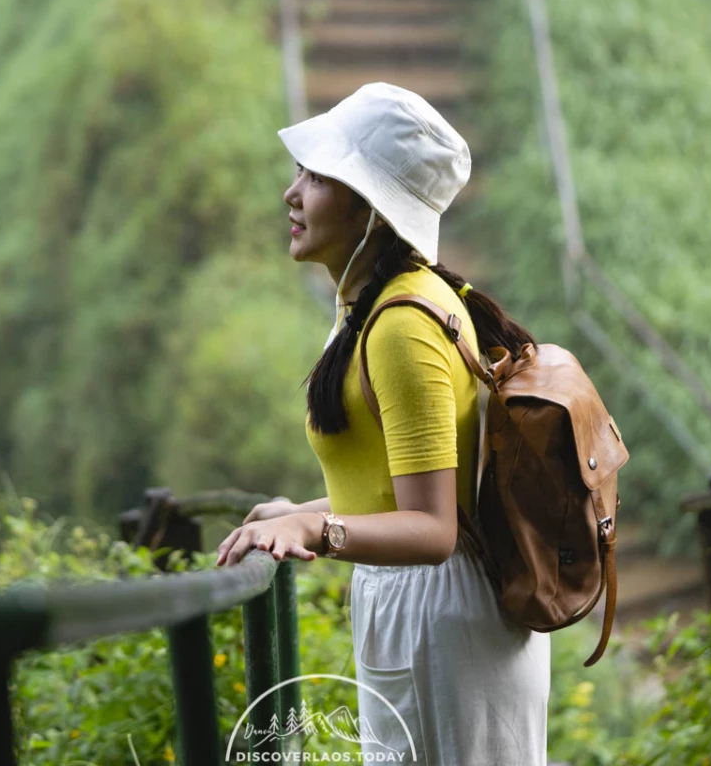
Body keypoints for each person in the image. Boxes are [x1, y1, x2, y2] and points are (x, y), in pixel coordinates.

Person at [214, 81, 551, 764]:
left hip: (440, 619)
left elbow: (432, 528)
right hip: (425, 613)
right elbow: (404, 487)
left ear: (369, 205)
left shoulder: (401, 324)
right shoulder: (382, 306)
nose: (292, 193)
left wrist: (316, 528)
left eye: (317, 175)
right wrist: (299, 511)